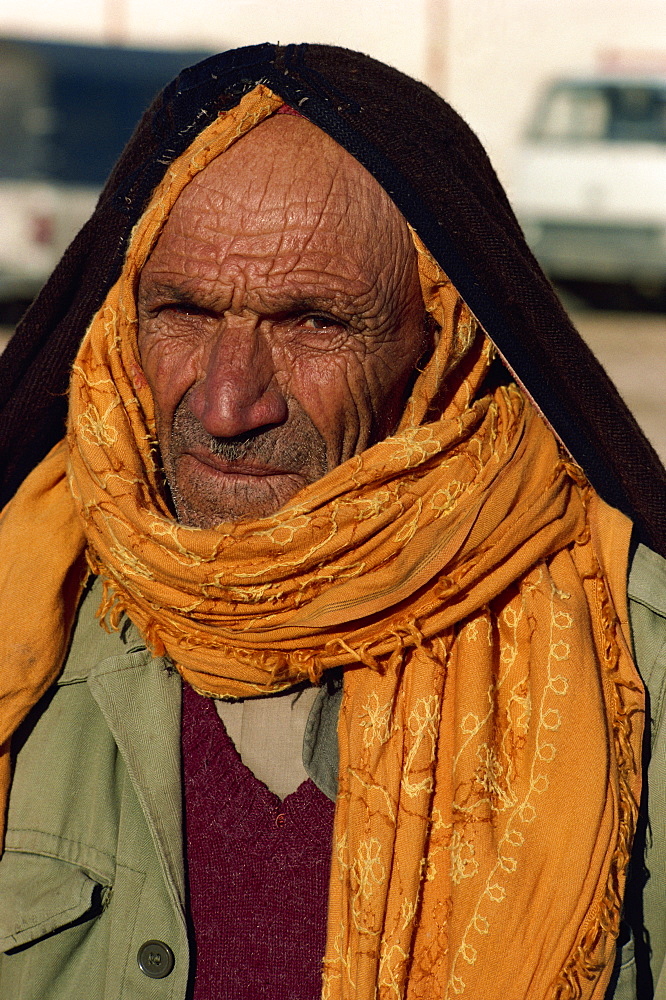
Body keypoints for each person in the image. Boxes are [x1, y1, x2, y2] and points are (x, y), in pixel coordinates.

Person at [0, 43, 664, 1000]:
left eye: (313, 323)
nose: (228, 404)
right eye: (181, 312)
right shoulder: (28, 606)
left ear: (445, 340)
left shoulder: (632, 662)